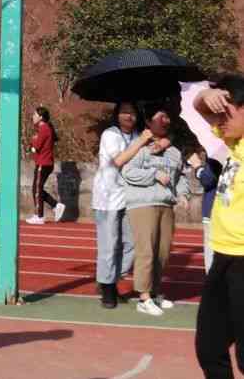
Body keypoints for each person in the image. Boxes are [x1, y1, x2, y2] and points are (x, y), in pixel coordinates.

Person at [193, 74, 244, 379]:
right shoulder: (233, 140)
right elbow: (200, 107)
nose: (218, 120)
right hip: (223, 257)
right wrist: (205, 97)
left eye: (226, 113)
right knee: (210, 347)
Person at [121, 97, 190, 317]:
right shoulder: (140, 147)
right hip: (143, 204)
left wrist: (183, 194)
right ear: (149, 122)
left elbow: (180, 176)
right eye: (161, 117)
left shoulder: (174, 151)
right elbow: (128, 172)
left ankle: (156, 291)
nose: (166, 120)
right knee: (146, 250)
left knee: (162, 252)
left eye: (167, 116)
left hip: (166, 204)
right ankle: (143, 297)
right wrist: (153, 175)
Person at [92, 101, 157, 309]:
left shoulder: (138, 135)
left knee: (133, 244)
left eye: (132, 113)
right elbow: (119, 160)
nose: (129, 116)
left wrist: (154, 142)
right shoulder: (110, 135)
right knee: (109, 245)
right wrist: (141, 142)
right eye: (124, 112)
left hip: (130, 197)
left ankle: (108, 279)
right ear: (117, 115)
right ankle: (108, 288)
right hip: (108, 197)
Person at [26, 106, 65, 225]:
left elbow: (36, 146)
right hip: (44, 162)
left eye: (35, 115)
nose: (33, 117)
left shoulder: (43, 128)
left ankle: (39, 216)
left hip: (43, 163)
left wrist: (33, 141)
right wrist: (33, 145)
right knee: (37, 189)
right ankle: (56, 205)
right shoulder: (44, 128)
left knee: (36, 189)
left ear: (41, 117)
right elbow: (35, 147)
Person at [187, 148, 222, 273]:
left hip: (216, 208)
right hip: (234, 210)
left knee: (213, 257)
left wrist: (197, 167)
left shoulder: (220, 150)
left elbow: (208, 179)